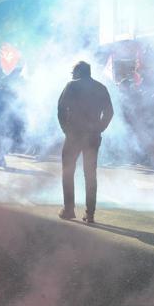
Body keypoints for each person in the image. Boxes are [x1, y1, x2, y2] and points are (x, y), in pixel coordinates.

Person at [58, 61, 114, 223]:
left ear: (77, 72)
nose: (72, 76)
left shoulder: (71, 86)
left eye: (73, 72)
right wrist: (100, 128)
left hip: (74, 135)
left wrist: (65, 129)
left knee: (68, 172)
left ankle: (69, 209)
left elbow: (61, 109)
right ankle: (90, 214)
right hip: (92, 136)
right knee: (90, 174)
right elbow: (109, 112)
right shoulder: (101, 87)